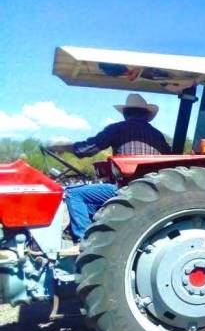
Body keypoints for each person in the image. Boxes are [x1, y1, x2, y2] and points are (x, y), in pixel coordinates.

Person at [48, 93, 171, 240]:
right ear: (146, 115)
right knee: (91, 206)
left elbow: (87, 149)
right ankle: (95, 234)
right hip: (152, 190)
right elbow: (169, 159)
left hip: (126, 189)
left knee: (73, 193)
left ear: (125, 113)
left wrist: (62, 148)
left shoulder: (118, 129)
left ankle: (84, 239)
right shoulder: (157, 135)